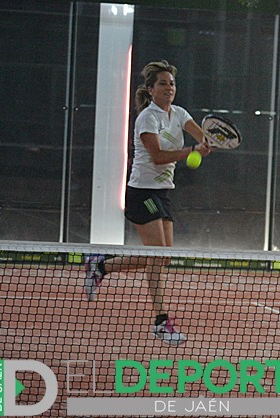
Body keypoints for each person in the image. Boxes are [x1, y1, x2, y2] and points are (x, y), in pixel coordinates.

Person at [83, 60, 211, 345]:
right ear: (151, 90)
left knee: (162, 257)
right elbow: (158, 157)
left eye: (172, 84)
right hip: (143, 193)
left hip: (162, 193)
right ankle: (161, 322)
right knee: (156, 256)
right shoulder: (147, 118)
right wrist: (191, 150)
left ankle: (100, 267)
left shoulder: (179, 114)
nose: (169, 88)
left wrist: (208, 142)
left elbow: (201, 135)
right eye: (163, 84)